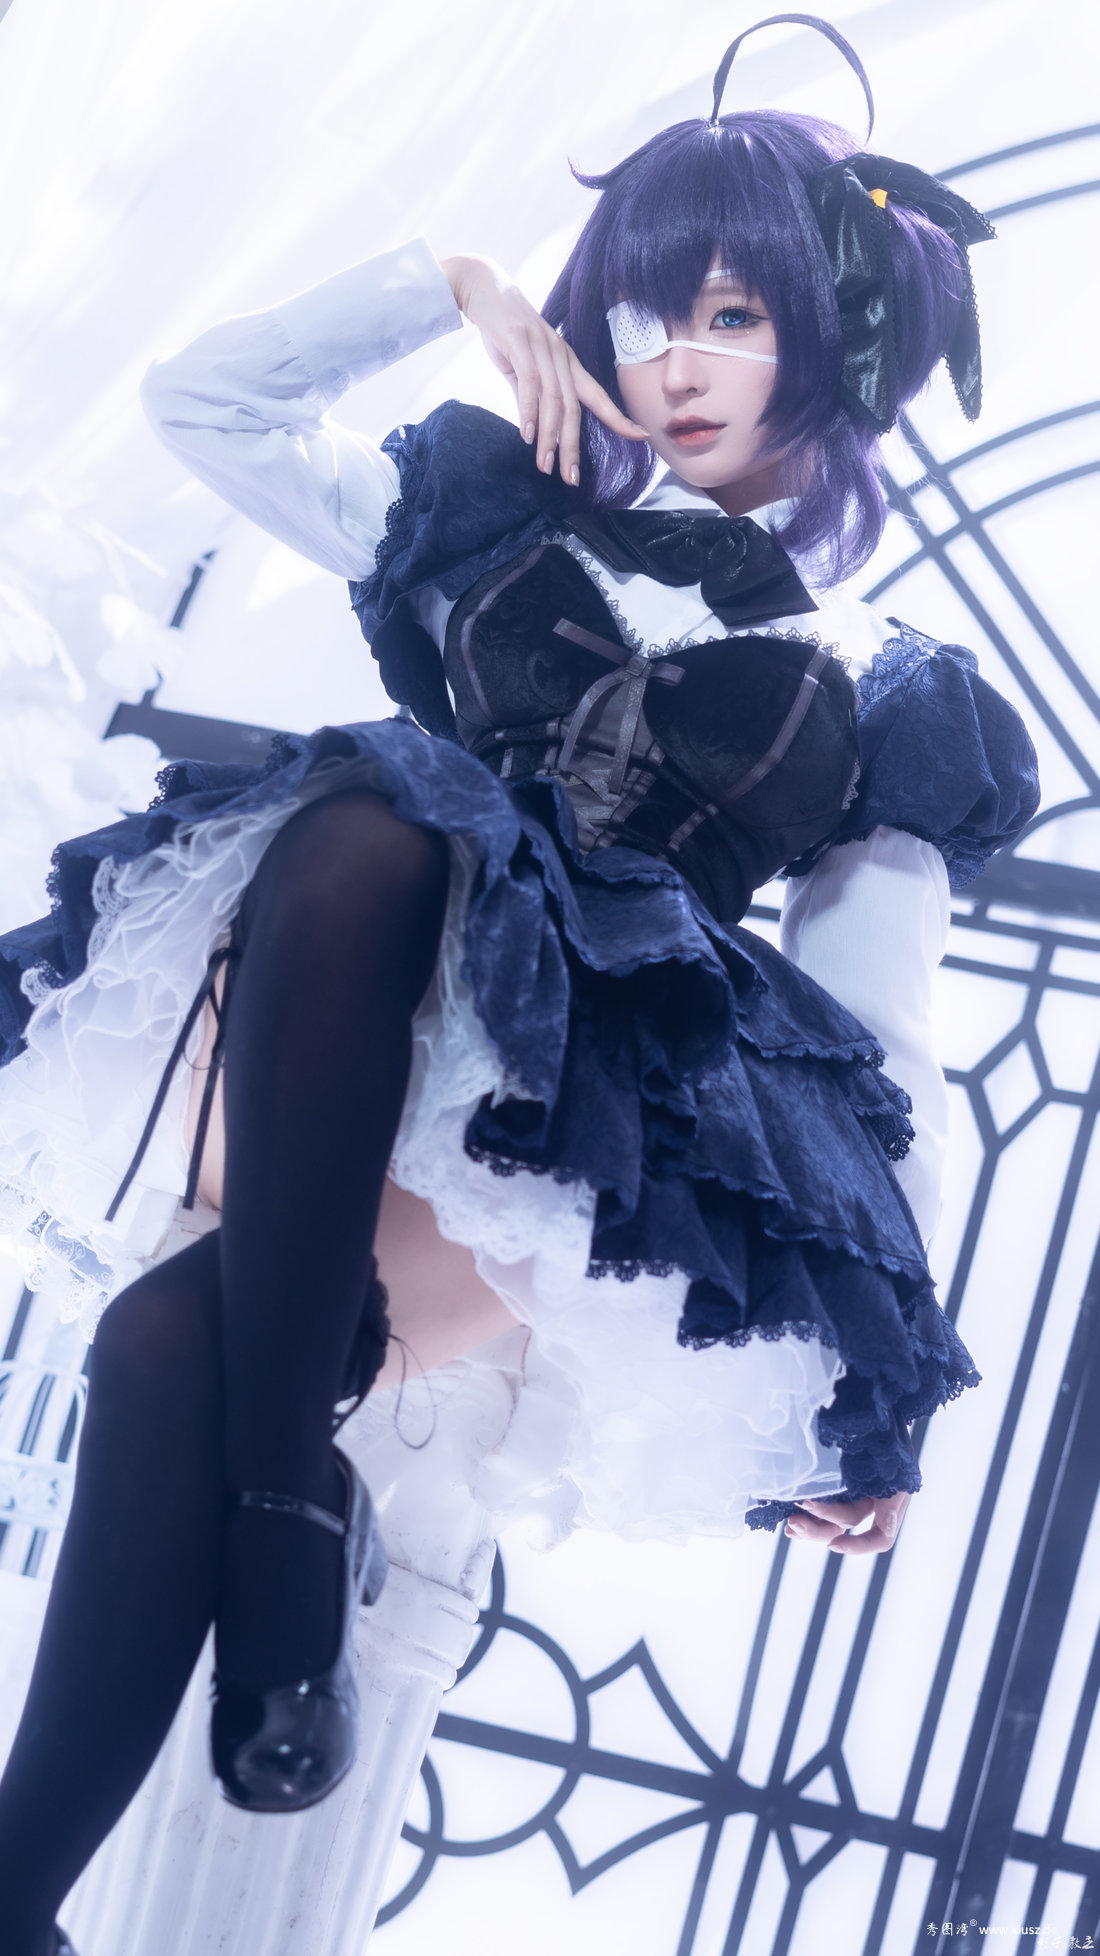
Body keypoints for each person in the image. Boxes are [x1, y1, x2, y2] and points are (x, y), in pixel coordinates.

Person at [0, 16, 1039, 1955]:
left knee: (160, 1346)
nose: (673, 358)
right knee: (367, 828)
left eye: (729, 313)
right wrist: (452, 283)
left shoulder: (891, 683)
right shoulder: (485, 510)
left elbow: (879, 1032)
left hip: (569, 1100)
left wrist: (871, 1384)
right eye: (643, 311)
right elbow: (202, 403)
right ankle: (252, 1560)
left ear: (837, 335)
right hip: (325, 1017)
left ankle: (158, 1689)